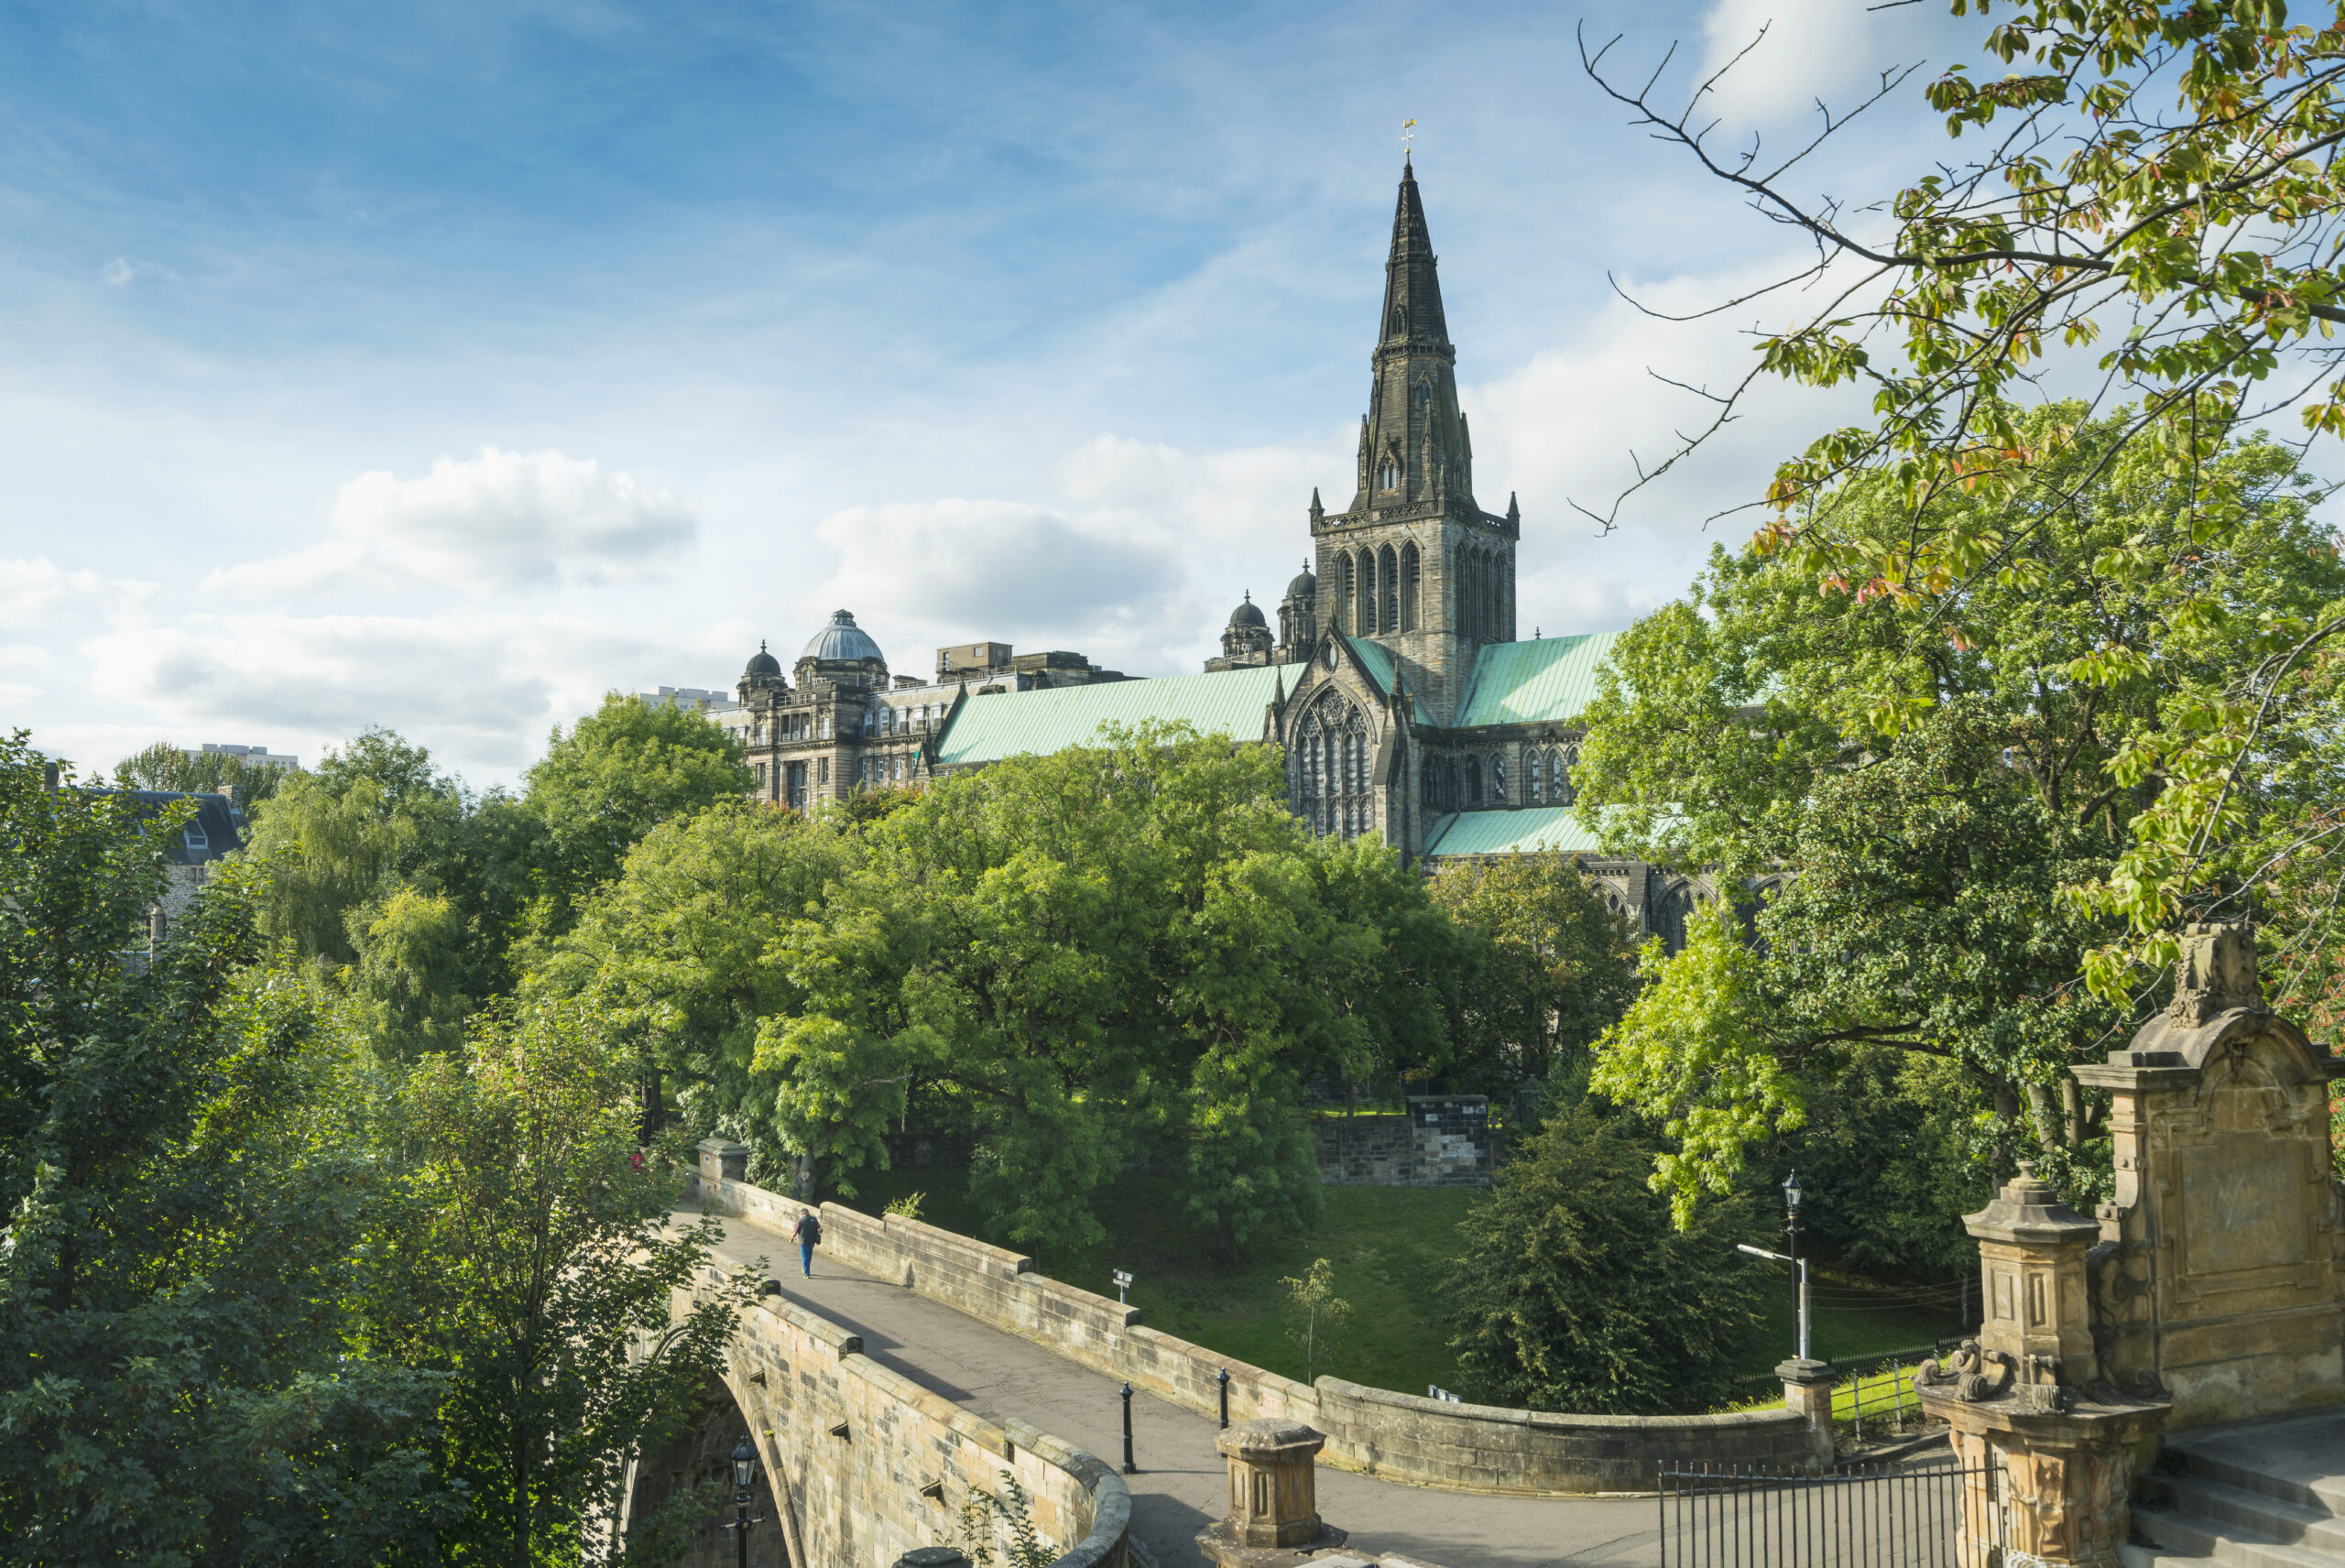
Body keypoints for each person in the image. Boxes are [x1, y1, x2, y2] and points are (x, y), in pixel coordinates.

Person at [792, 1207, 822, 1278]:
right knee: (809, 1256)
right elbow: (819, 1229)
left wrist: (791, 1238)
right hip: (812, 1241)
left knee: (805, 1257)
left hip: (803, 1241)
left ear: (802, 1214)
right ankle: (805, 1269)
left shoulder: (800, 1220)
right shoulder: (814, 1219)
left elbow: (795, 1232)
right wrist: (820, 1231)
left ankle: (806, 1274)